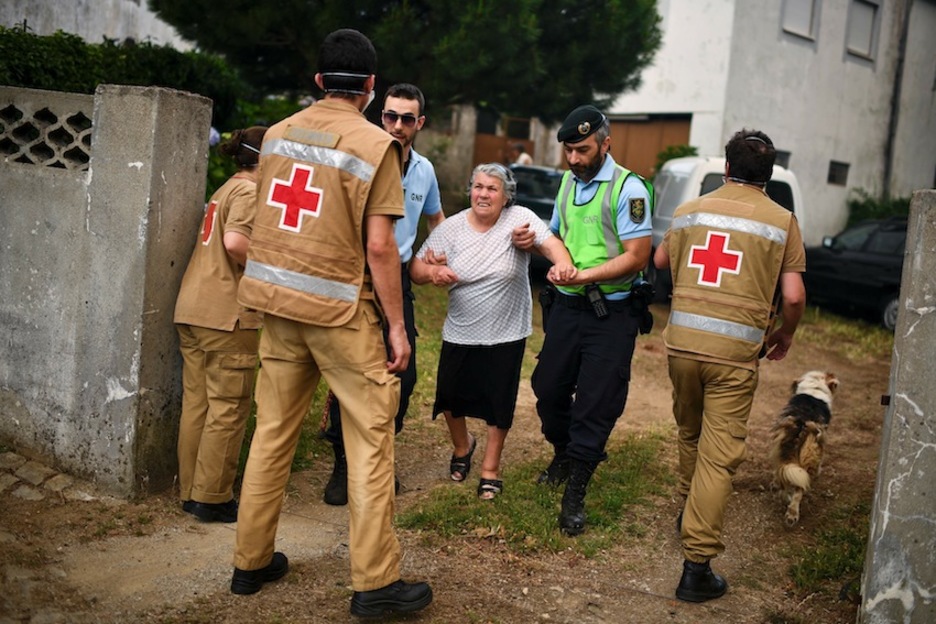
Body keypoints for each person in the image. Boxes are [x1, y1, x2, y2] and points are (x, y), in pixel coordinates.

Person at [230, 29, 432, 618]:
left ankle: (250, 561)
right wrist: (397, 327)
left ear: (318, 82)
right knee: (371, 440)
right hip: (342, 314)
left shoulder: (275, 135)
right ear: (371, 88)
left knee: (272, 435)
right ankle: (375, 584)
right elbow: (380, 248)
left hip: (278, 309)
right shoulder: (379, 147)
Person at [653, 129, 806, 603]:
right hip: (734, 356)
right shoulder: (782, 221)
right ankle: (696, 568)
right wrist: (783, 334)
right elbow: (795, 296)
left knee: (689, 433)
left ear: (726, 168)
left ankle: (688, 508)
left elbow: (659, 260)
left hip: (682, 347)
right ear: (770, 175)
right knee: (720, 456)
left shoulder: (689, 210)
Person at [512, 105, 654, 536]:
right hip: (568, 309)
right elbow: (555, 236)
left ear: (605, 143)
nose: (573, 159)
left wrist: (583, 274)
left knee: (596, 401)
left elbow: (638, 256)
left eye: (583, 149)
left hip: (610, 314)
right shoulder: (567, 186)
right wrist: (533, 243)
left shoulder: (630, 190)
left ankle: (575, 490)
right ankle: (564, 452)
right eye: (569, 151)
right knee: (547, 388)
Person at [410, 163, 575, 500]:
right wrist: (432, 273)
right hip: (461, 328)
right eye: (478, 187)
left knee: (499, 403)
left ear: (506, 197)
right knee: (450, 398)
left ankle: (490, 469)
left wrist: (562, 263)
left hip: (506, 330)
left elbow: (550, 244)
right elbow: (416, 267)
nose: (483, 194)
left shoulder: (519, 220)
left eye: (492, 188)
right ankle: (462, 446)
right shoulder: (452, 227)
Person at [321, 82, 445, 506]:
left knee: (403, 375)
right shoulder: (362, 156)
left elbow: (436, 223)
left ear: (419, 123)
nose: (396, 125)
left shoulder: (424, 171)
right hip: (352, 275)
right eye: (389, 115)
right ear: (380, 114)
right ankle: (344, 464)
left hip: (396, 280)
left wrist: (442, 258)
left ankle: (376, 457)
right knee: (348, 373)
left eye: (406, 119)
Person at [174, 126, 267, 523]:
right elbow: (234, 242)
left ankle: (191, 492)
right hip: (226, 317)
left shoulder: (225, 189)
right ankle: (212, 499)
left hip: (193, 308)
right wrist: (273, 268)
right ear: (266, 158)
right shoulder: (248, 192)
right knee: (228, 408)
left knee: (198, 404)